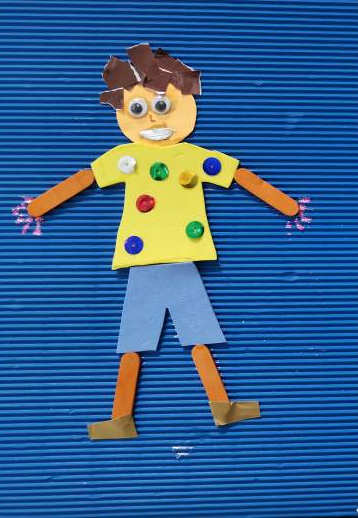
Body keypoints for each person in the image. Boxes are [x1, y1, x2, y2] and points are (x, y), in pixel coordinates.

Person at [28, 44, 300, 439]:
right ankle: (193, 409)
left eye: (162, 105)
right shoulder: (129, 158)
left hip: (173, 257)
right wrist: (39, 206)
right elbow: (88, 177)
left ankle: (139, 416)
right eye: (139, 108)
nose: (154, 118)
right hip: (157, 259)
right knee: (179, 336)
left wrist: (287, 206)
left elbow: (237, 174)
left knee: (172, 336)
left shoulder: (191, 156)